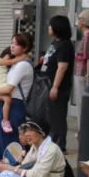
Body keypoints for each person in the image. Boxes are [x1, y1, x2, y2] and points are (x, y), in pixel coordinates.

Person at [0, 119, 66, 177]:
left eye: (31, 130)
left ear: (42, 133)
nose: (27, 134)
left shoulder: (51, 150)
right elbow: (24, 166)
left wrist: (8, 167)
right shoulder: (35, 146)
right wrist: (5, 167)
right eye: (26, 131)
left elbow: (37, 176)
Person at [38, 15, 75, 146]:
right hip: (47, 83)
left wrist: (55, 87)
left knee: (57, 117)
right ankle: (52, 142)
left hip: (58, 87)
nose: (49, 27)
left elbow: (62, 67)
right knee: (50, 115)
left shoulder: (65, 45)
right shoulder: (55, 42)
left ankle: (58, 144)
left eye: (51, 25)